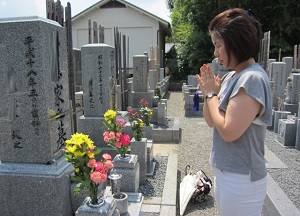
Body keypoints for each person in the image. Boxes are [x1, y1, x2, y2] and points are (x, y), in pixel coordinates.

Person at [196, 8, 273, 216]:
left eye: (219, 45)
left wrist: (213, 95)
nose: (216, 53)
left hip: (241, 179)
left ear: (236, 42)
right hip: (227, 173)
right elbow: (212, 121)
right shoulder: (232, 77)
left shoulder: (252, 78)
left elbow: (229, 131)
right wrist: (207, 94)